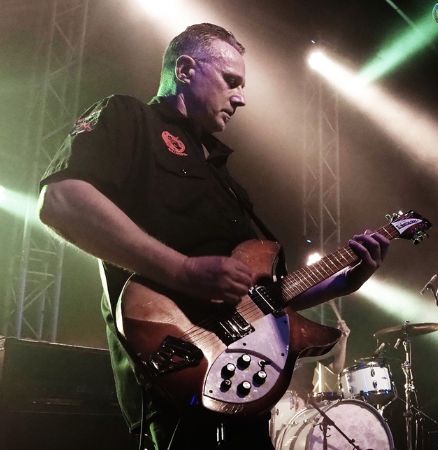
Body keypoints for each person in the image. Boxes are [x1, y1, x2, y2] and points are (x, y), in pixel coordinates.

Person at [38, 23, 390, 450]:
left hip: (245, 386)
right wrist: (183, 270)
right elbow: (61, 200)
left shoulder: (224, 178)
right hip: (176, 374)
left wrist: (345, 282)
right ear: (186, 70)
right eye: (231, 81)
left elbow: (259, 300)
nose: (241, 98)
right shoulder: (129, 117)